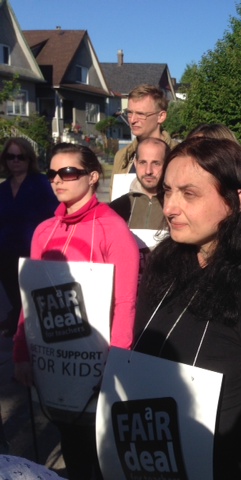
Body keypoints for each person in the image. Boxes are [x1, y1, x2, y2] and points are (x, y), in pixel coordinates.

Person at [133, 137, 241, 478]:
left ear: (235, 200)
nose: (170, 207)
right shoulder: (163, 264)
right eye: (168, 191)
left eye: (189, 194)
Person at [13, 143, 139, 480]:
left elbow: (125, 302)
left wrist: (118, 360)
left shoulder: (113, 230)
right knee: (70, 442)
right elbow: (30, 297)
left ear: (93, 176)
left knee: (99, 451)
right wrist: (20, 352)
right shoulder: (44, 231)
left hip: (97, 361)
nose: (57, 179)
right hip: (54, 359)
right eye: (52, 172)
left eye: (68, 172)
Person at [0, 138, 58, 336]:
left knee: (33, 293)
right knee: (15, 293)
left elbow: (54, 214)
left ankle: (28, 329)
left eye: (20, 156)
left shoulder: (42, 184)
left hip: (33, 251)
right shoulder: (3, 189)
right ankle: (17, 320)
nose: (15, 161)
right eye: (11, 156)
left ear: (29, 158)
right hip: (6, 253)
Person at [110, 84, 178, 196]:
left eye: (140, 114)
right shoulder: (122, 156)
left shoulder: (179, 154)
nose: (132, 120)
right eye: (129, 113)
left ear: (161, 116)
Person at [110, 137, 169, 229]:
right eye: (143, 163)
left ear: (168, 164)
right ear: (135, 164)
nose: (148, 171)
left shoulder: (179, 206)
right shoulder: (117, 207)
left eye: (156, 163)